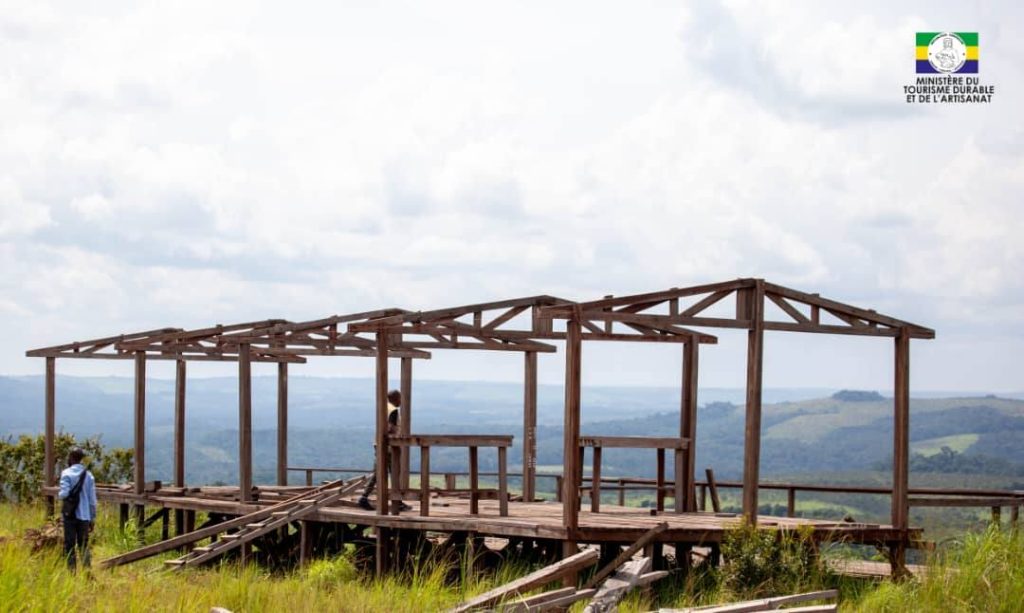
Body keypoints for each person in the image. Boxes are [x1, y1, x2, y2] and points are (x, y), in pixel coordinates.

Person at [358, 389, 412, 512]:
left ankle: (365, 497)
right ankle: (396, 502)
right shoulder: (393, 410)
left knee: (378, 473)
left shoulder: (384, 407)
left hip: (379, 444)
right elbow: (390, 428)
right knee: (394, 473)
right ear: (395, 398)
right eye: (400, 399)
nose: (401, 401)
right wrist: (395, 437)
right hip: (388, 447)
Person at [58, 447, 97, 570]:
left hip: (70, 515)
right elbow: (92, 501)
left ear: (70, 457)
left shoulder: (66, 473)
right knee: (84, 545)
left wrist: (61, 494)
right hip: (84, 516)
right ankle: (87, 572)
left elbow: (63, 494)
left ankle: (72, 573)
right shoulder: (89, 475)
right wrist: (92, 518)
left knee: (69, 545)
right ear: (81, 459)